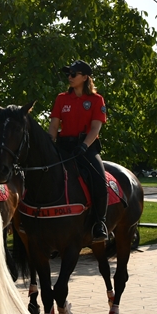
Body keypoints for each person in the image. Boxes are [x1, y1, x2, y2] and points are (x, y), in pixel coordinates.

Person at [48, 60, 109, 241]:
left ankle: (100, 223)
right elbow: (53, 126)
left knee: (99, 179)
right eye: (68, 74)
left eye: (73, 74)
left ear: (84, 77)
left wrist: (84, 146)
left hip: (86, 147)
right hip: (63, 146)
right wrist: (50, 144)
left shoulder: (96, 100)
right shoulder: (61, 98)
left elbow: (96, 128)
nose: (69, 77)